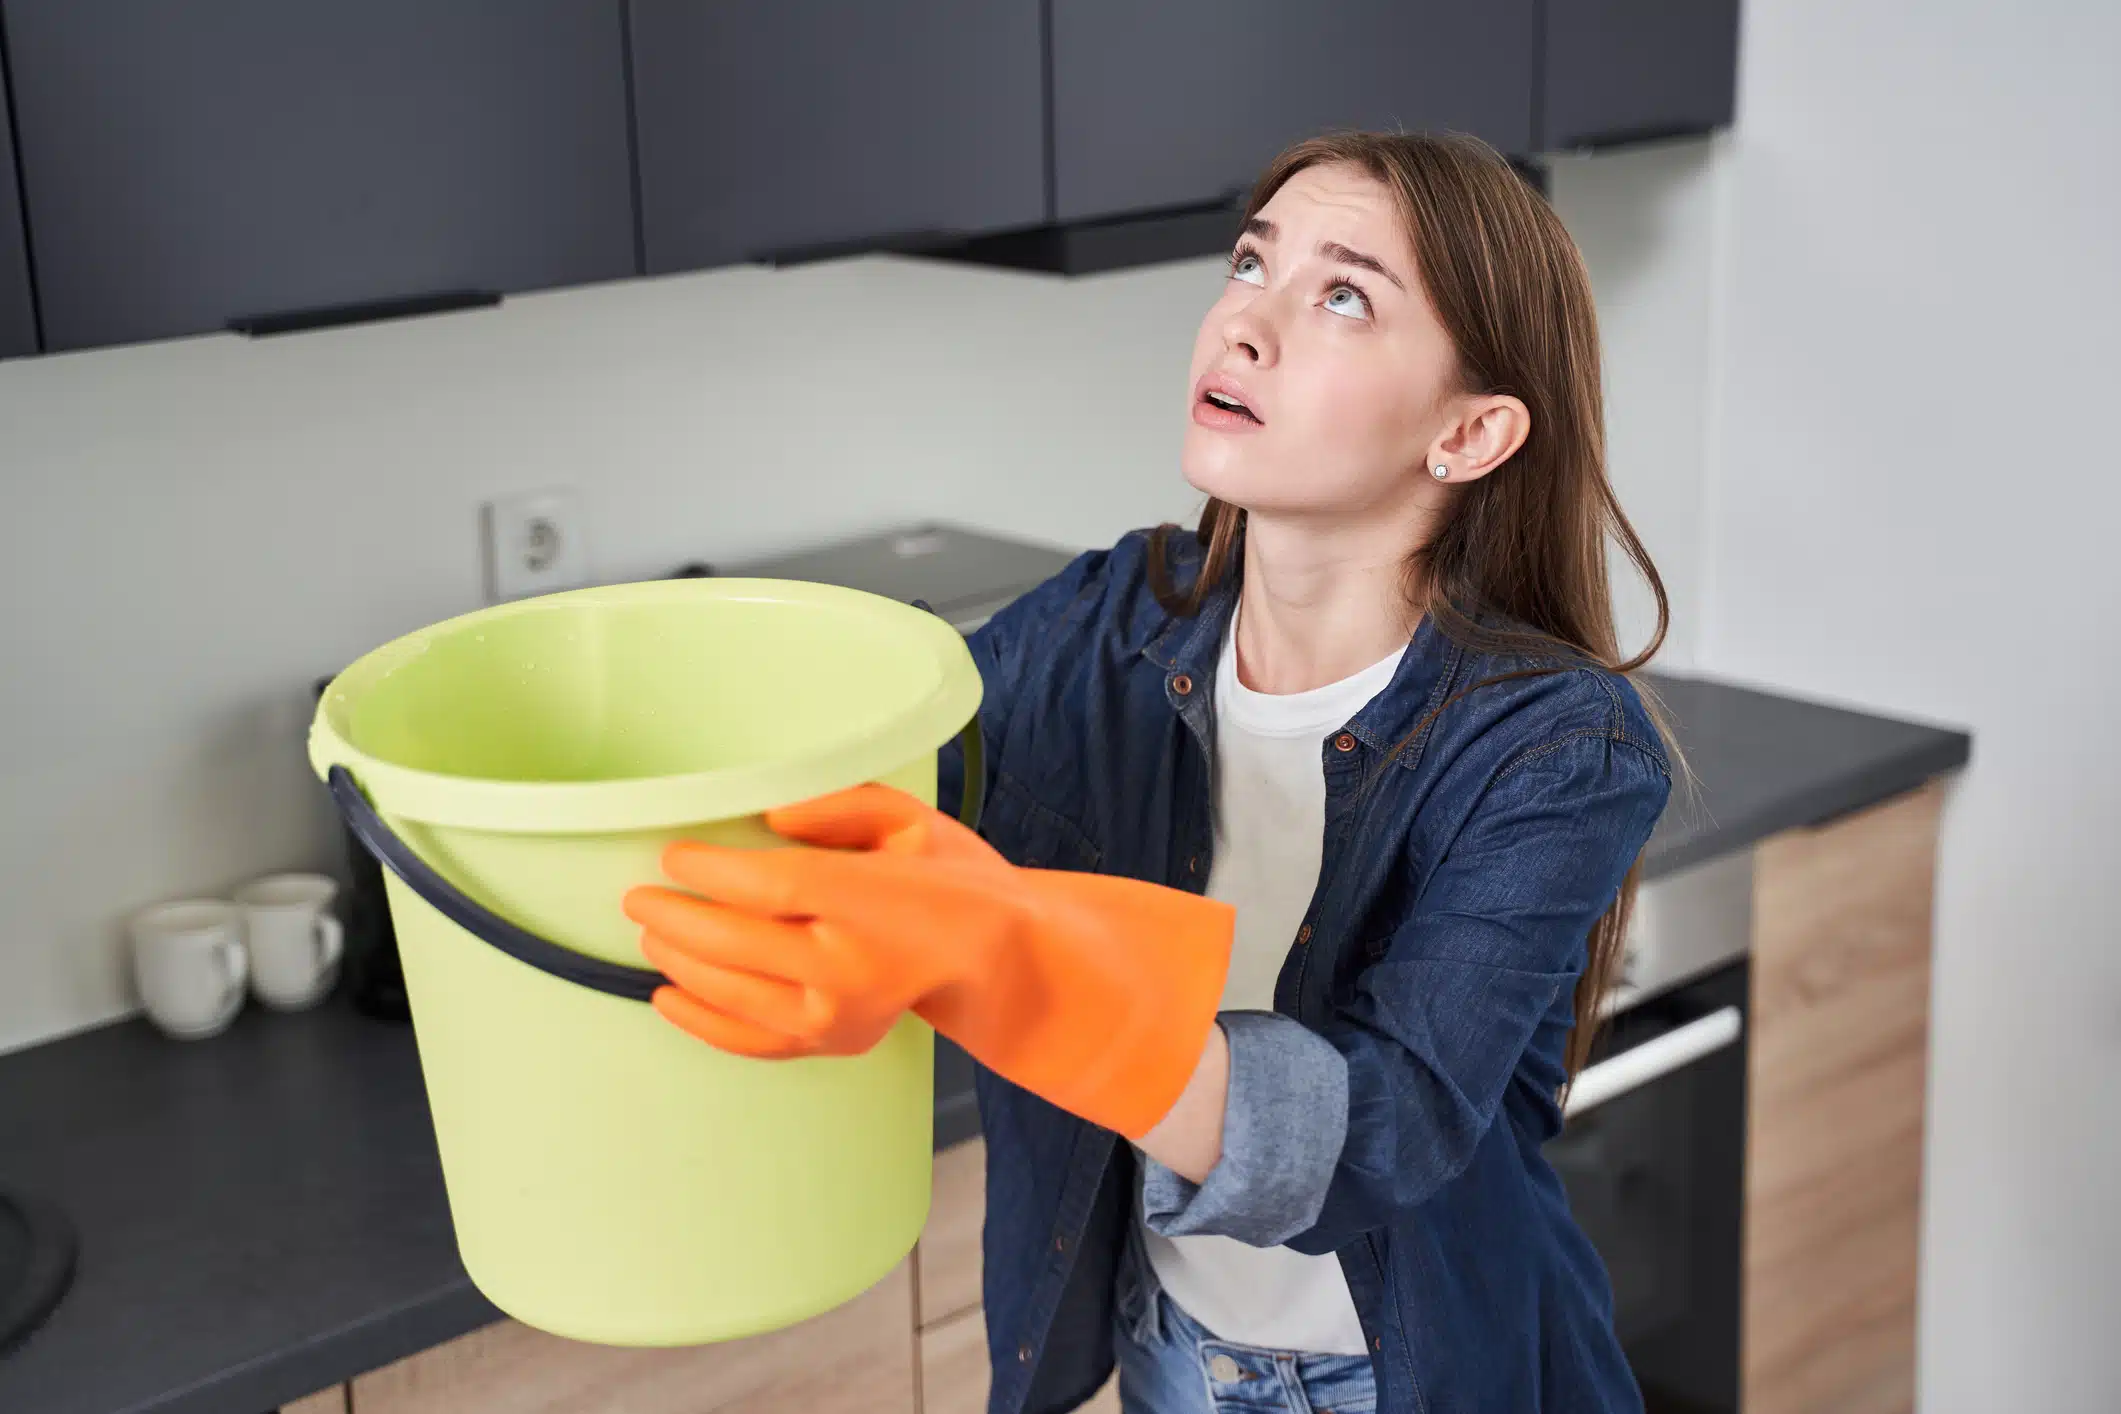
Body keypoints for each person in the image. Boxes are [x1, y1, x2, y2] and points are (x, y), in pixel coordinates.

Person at [624, 130, 1675, 1414]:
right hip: (1168, 1357)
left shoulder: (1556, 747)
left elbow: (1380, 1131)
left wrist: (1008, 970)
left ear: (1469, 432)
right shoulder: (1109, 622)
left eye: (1342, 294)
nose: (1246, 324)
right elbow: (879, 773)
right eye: (1252, 261)